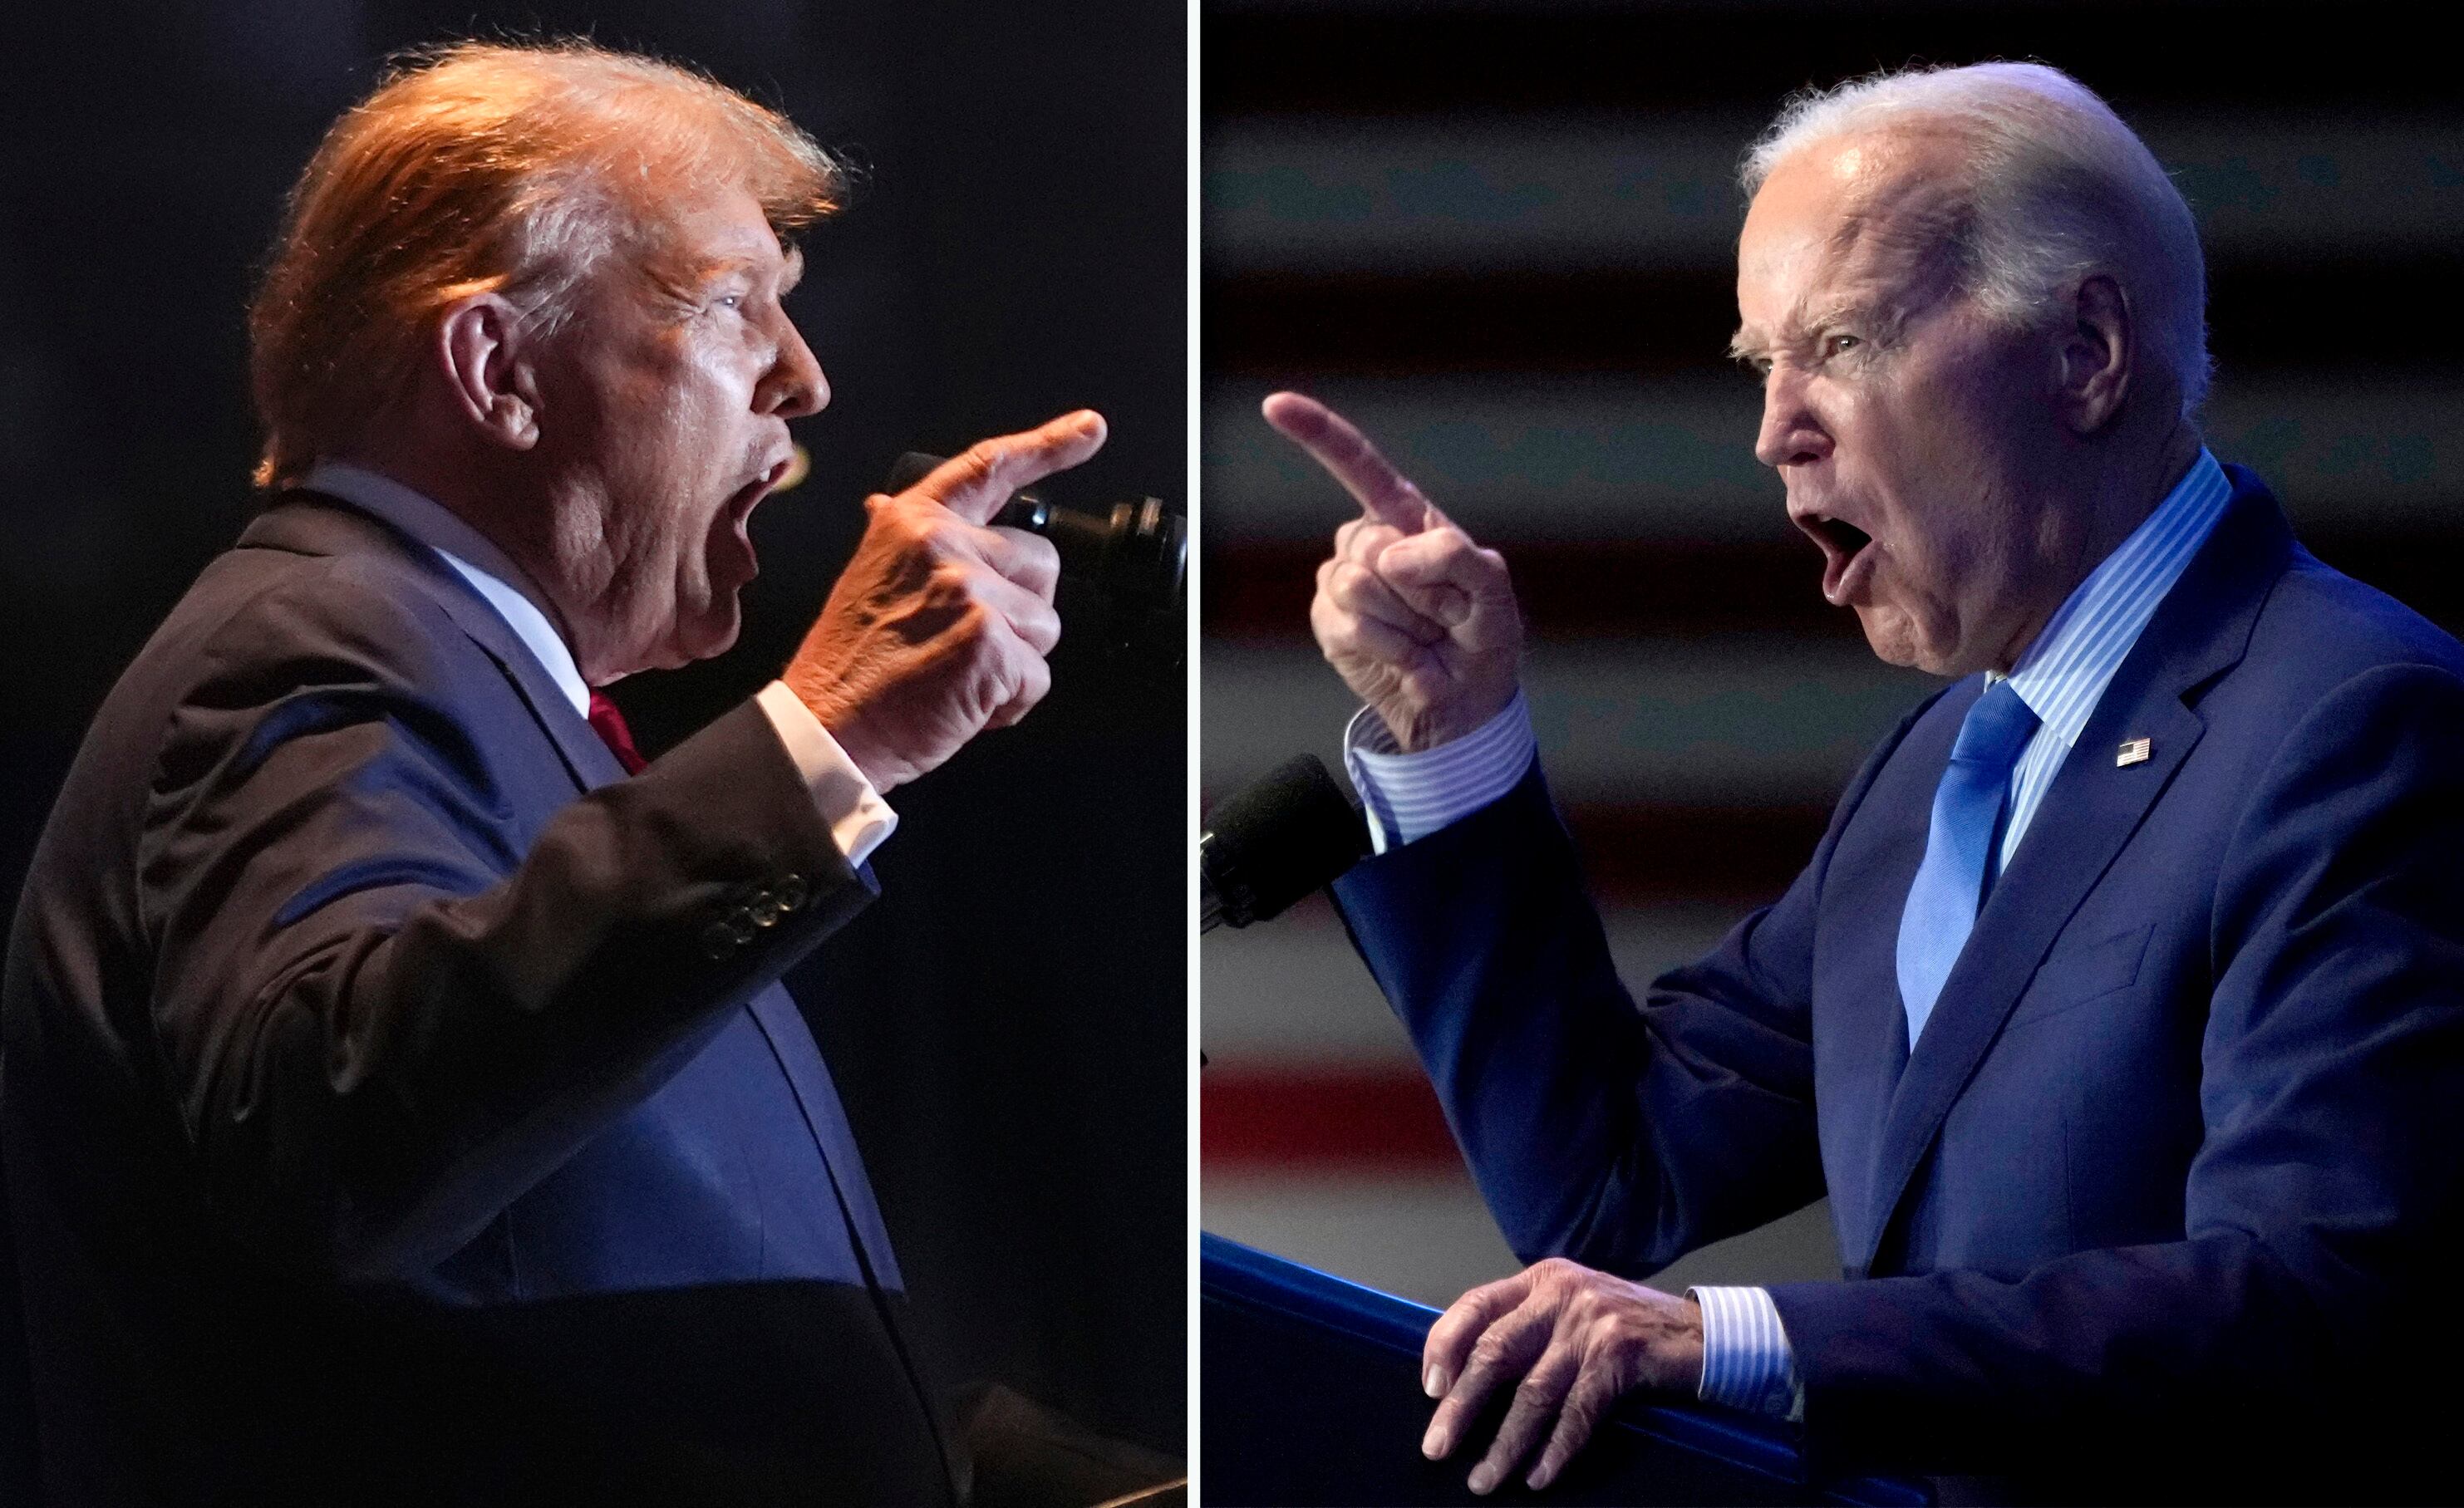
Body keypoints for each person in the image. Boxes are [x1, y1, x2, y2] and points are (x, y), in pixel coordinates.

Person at [1270, 61, 2464, 1500]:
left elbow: (2315, 1301)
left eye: (1837, 341)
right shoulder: (1944, 765)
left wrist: (1737, 1340)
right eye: (1757, 364)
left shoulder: (2356, 721)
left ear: (2083, 351)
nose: (1775, 428)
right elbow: (1611, 1176)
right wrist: (1453, 731)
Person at [1, 40, 1163, 1506]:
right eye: (734, 307)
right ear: (497, 369)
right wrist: (827, 735)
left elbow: (559, 1337)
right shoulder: (316, 645)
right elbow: (337, 1129)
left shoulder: (463, 686)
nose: (805, 382)